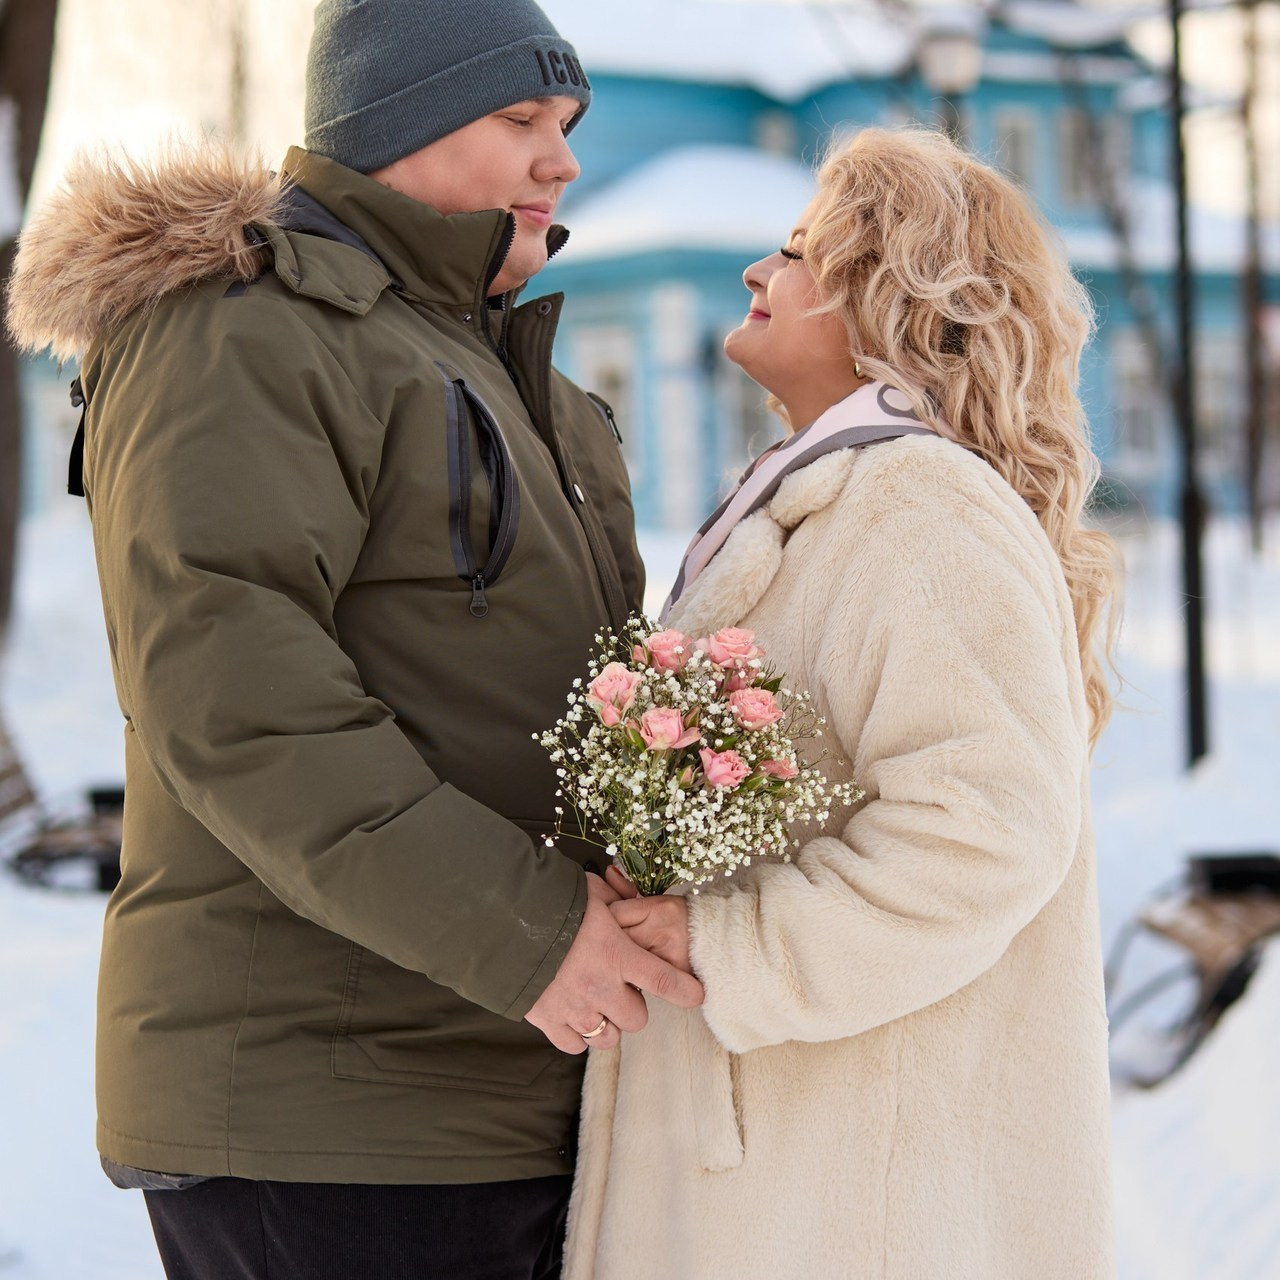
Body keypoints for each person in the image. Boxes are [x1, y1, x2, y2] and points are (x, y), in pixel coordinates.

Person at [6, 2, 704, 1277]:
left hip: (491, 1073)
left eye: (568, 127)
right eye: (520, 122)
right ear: (399, 127)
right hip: (325, 1100)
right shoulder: (243, 329)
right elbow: (241, 703)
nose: (564, 162)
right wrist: (530, 933)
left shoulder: (512, 375)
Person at [562, 126, 1120, 1280]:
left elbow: (984, 829)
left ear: (889, 296)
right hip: (789, 1158)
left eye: (796, 252)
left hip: (851, 1197)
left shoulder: (922, 511)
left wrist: (731, 940)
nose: (759, 273)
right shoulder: (833, 498)